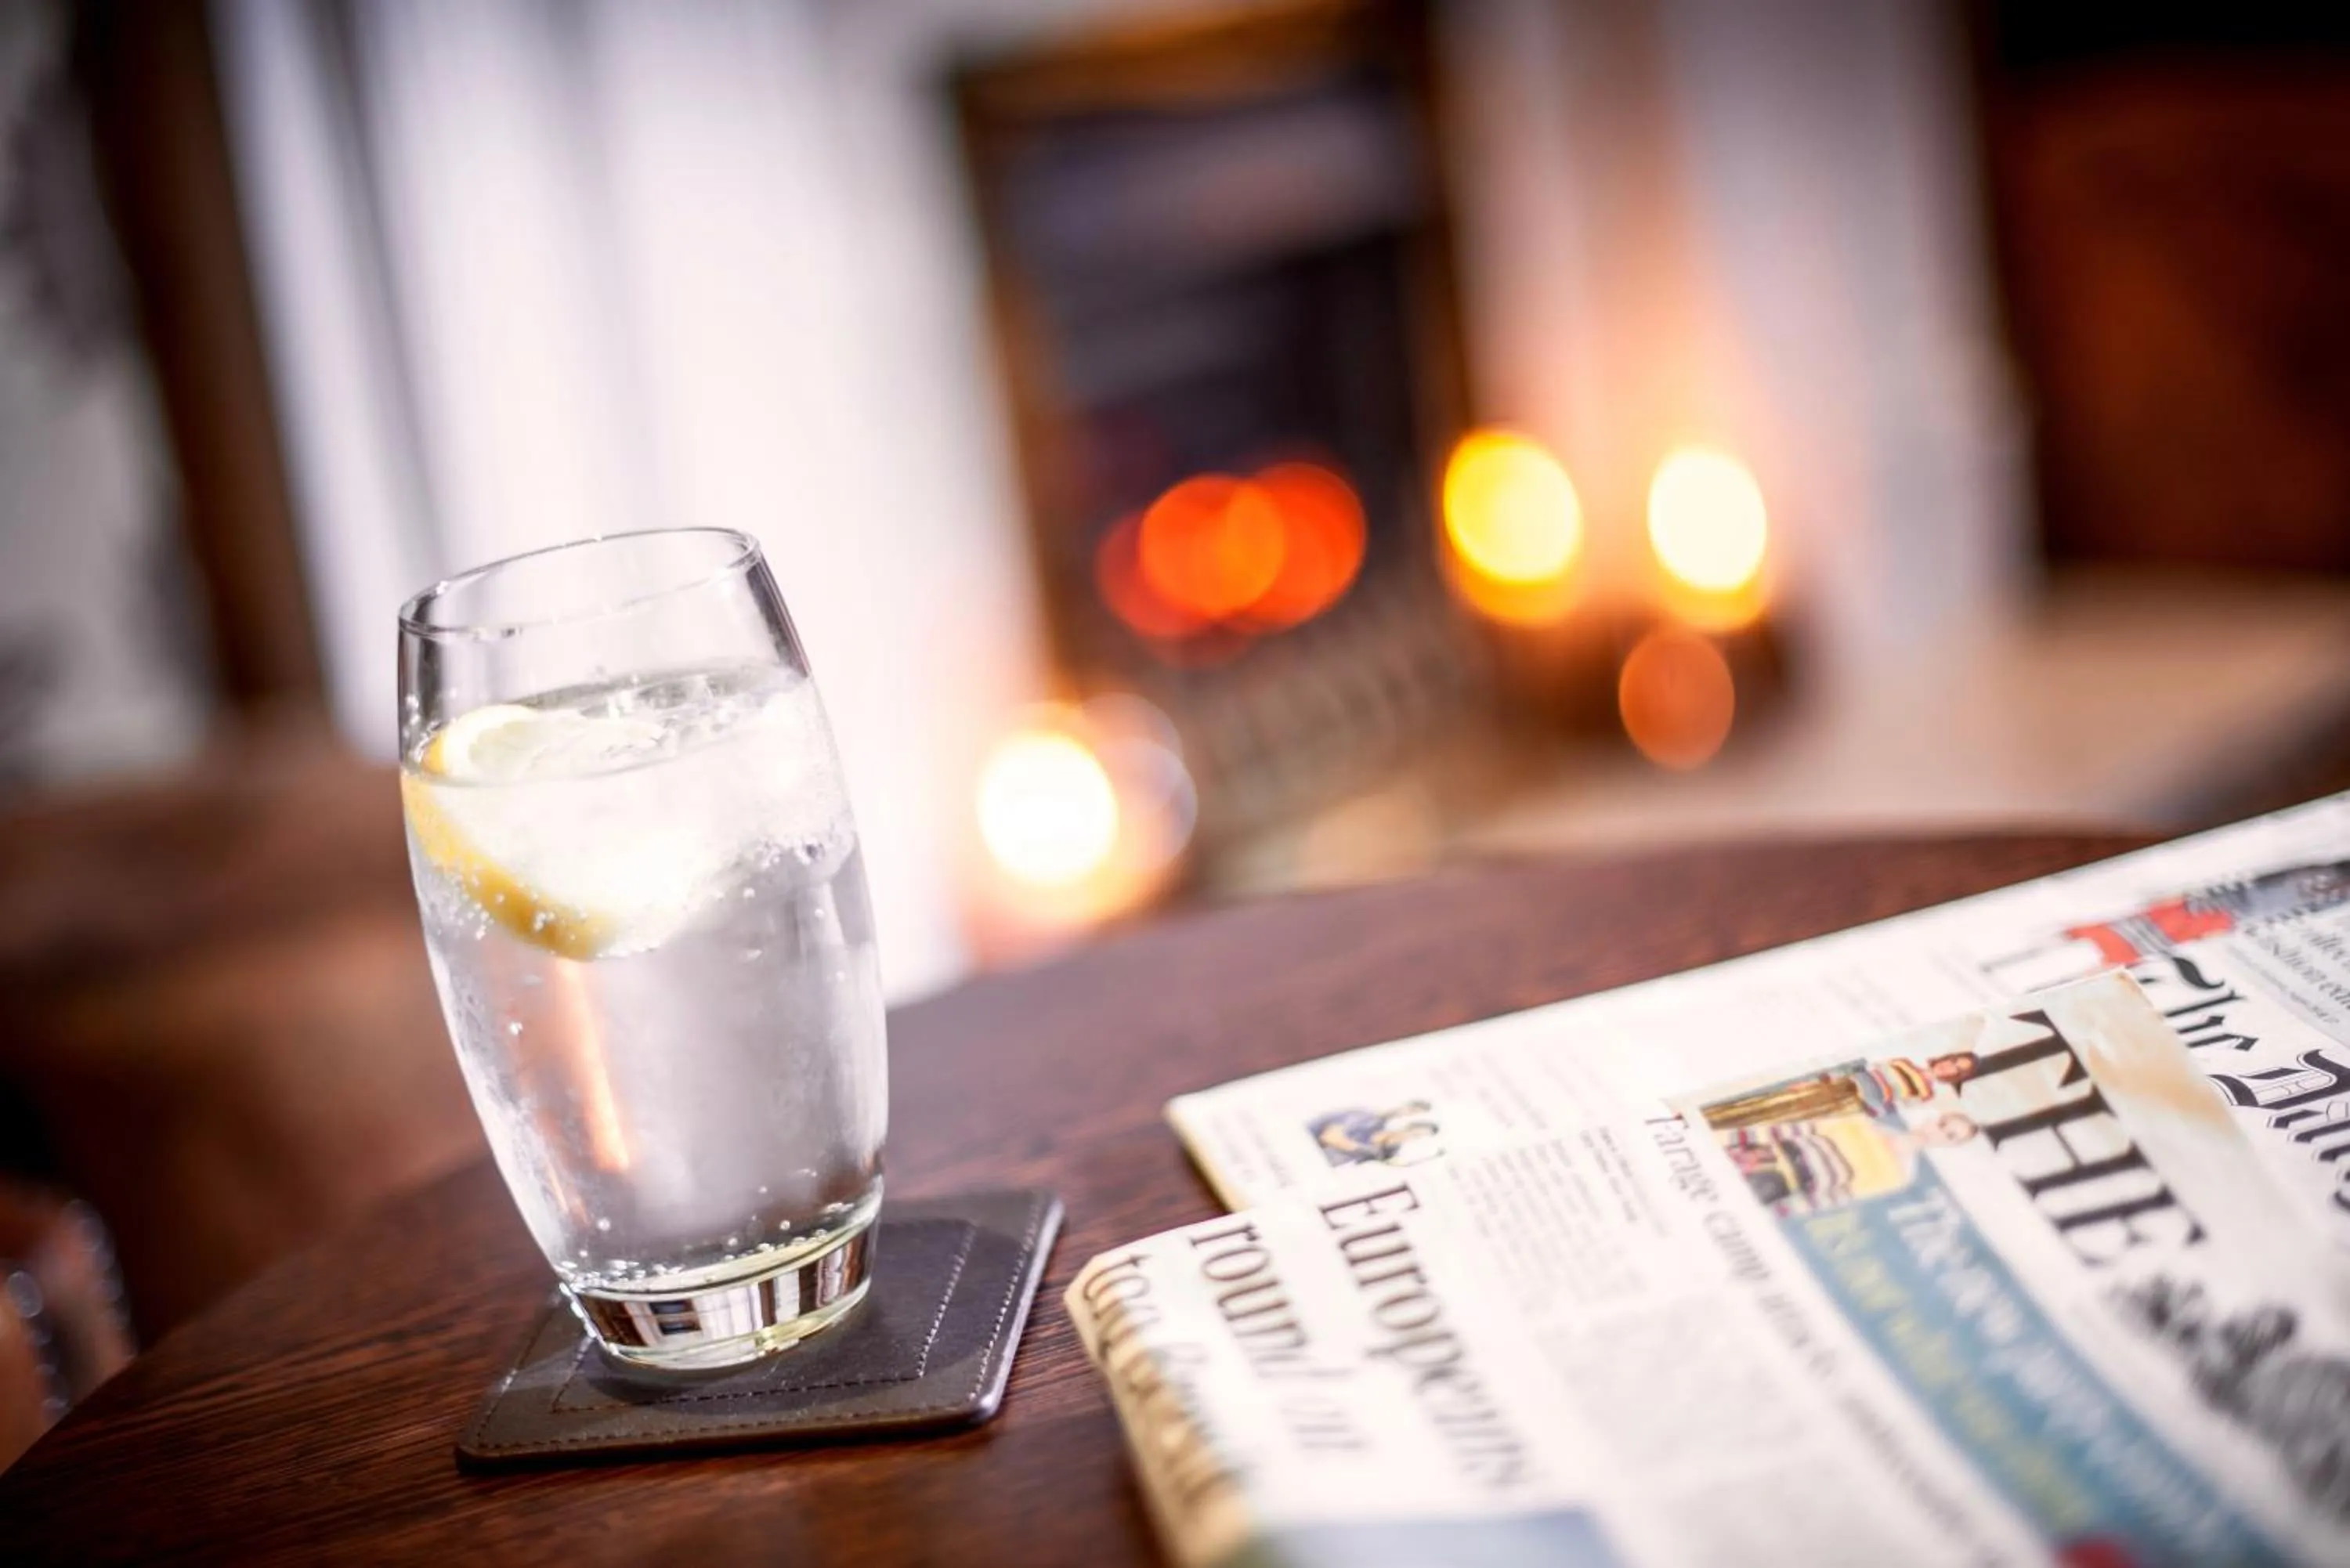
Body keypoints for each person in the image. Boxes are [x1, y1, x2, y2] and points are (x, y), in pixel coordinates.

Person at [1725, 1110, 1979, 1216]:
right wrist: (1735, 1139)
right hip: (1759, 1156)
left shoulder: (1901, 1175)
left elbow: (1838, 1197)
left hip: (1781, 1186)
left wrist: (1782, 1210)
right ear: (1934, 1118)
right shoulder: (1863, 1122)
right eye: (1944, 1124)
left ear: (1949, 1145)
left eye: (1950, 1136)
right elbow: (1798, 1128)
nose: (1939, 1132)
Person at [1701, 1053, 1980, 1131]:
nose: (1950, 1067)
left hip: (1850, 1102)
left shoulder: (1925, 1096)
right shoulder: (1902, 1061)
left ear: (1956, 1077)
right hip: (1834, 1084)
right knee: (1776, 1098)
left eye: (1958, 1069)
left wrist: (1867, 1107)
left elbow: (1889, 1109)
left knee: (1788, 1114)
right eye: (1954, 1061)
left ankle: (1728, 1125)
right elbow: (1860, 1068)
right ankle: (1716, 1114)